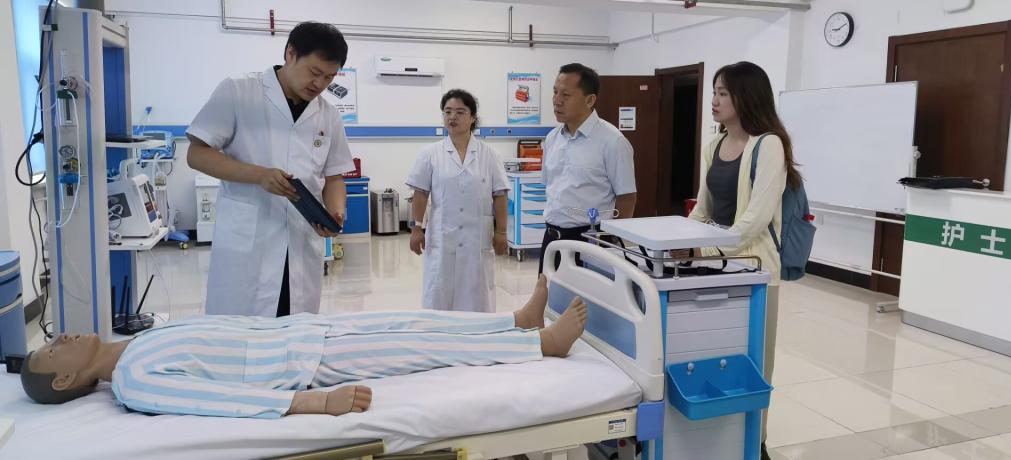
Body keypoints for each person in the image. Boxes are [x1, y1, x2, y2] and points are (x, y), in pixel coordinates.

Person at [20, 276, 588, 418]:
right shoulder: (132, 381)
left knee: (414, 318)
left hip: (300, 331)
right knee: (421, 346)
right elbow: (219, 402)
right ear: (65, 380)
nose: (59, 339)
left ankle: (513, 321)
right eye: (52, 352)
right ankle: (541, 346)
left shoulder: (141, 339)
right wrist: (315, 402)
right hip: (306, 364)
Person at [186, 22, 355, 318]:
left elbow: (334, 176)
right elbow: (197, 154)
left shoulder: (328, 115)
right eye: (314, 72)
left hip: (301, 242)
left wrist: (335, 212)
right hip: (249, 244)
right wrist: (260, 175)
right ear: (290, 53)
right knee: (241, 331)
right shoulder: (239, 91)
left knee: (296, 330)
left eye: (328, 78)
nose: (319, 84)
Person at [686, 61, 801, 459]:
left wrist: (707, 249)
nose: (714, 100)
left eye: (723, 93)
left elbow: (756, 219)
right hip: (713, 267)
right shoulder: (713, 145)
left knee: (755, 362)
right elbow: (702, 209)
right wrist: (679, 240)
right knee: (714, 355)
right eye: (714, 92)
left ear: (746, 97)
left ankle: (756, 442)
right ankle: (721, 440)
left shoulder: (768, 145)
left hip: (755, 270)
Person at [406, 89, 511, 312]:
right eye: (447, 112)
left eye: (460, 112)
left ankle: (477, 330)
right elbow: (420, 193)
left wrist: (501, 232)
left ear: (473, 118)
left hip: (477, 238)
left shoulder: (489, 155)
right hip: (442, 236)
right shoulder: (430, 153)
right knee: (439, 290)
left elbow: (500, 195)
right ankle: (439, 329)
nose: (452, 117)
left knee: (477, 293)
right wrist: (416, 229)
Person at [540, 63, 637, 273]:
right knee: (546, 293)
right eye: (555, 92)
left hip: (591, 240)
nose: (557, 100)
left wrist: (610, 241)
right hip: (552, 240)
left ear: (590, 100)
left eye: (566, 94)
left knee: (586, 296)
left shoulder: (612, 141)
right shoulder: (552, 138)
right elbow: (550, 186)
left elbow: (627, 197)